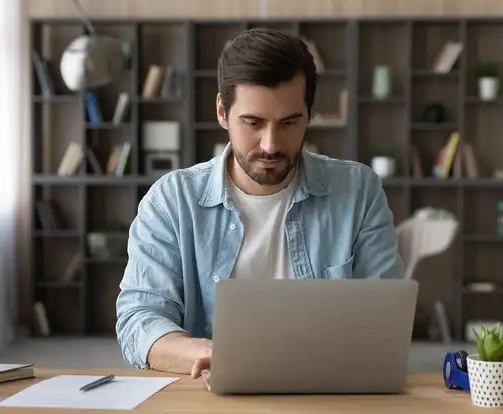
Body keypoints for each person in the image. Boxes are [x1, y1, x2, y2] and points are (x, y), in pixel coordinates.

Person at [115, 27, 405, 380]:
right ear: (223, 112)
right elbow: (139, 319)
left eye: (289, 123)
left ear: (309, 115)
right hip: (209, 398)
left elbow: (384, 319)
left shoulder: (359, 191)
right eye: (253, 122)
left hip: (329, 392)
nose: (270, 144)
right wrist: (214, 355)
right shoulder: (171, 202)